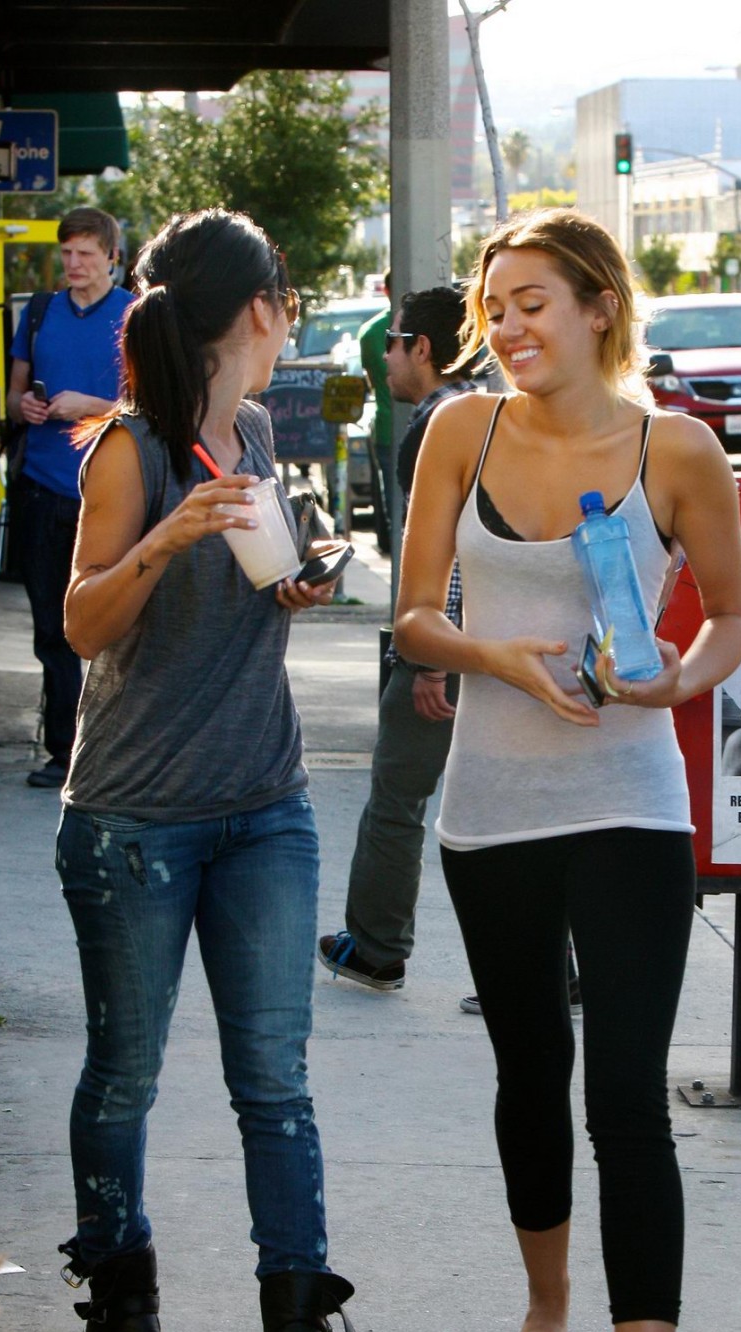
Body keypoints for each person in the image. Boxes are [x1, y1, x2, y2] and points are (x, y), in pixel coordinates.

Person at [393, 207, 741, 1332]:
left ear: (600, 304)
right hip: (490, 816)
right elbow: (413, 618)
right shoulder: (459, 429)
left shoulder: (677, 449)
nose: (508, 329)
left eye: (532, 302)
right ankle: (546, 1310)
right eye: (495, 309)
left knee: (625, 1099)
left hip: (632, 808)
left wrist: (670, 687)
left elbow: (732, 617)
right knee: (531, 1070)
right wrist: (494, 654)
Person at [53, 206, 362, 1332]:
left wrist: (294, 581)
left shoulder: (249, 430)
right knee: (125, 1074)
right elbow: (84, 624)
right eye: (283, 301)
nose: (287, 322)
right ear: (255, 311)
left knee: (273, 1080)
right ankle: (121, 1306)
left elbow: (247, 596)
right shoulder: (131, 451)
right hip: (137, 820)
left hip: (264, 807)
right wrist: (167, 537)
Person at [318, 286, 478, 990]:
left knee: (397, 798)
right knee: (517, 806)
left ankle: (377, 946)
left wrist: (425, 659)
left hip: (447, 643)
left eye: (394, 341)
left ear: (422, 349)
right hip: (507, 640)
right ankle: (552, 967)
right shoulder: (500, 412)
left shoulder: (438, 425)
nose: (384, 354)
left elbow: (443, 556)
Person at [6, 207, 134, 789]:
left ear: (112, 256)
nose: (74, 265)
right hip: (42, 487)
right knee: (51, 628)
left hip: (113, 488)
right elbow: (13, 394)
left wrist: (92, 407)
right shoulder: (39, 312)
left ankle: (116, 745)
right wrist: (24, 407)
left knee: (117, 623)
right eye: (67, 255)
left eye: (86, 254)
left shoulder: (136, 315)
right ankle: (65, 750)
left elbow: (150, 407)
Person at [357, 276, 393, 552]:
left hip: (387, 428)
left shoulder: (371, 333)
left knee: (396, 510)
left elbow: (373, 380)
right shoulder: (372, 333)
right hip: (391, 427)